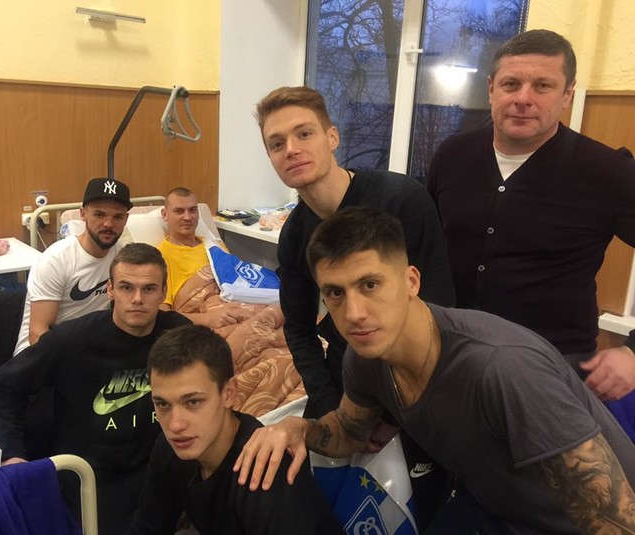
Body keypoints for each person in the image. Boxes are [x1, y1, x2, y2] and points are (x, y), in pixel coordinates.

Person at [234, 207, 635, 534]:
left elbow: (617, 522)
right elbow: (350, 432)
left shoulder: (502, 368)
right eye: (335, 293)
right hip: (492, 508)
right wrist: (297, 429)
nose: (354, 313)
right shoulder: (365, 358)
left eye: (370, 284)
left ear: (411, 281)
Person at [426, 29, 635, 402]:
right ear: (491, 88)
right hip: (448, 353)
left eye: (542, 86)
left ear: (567, 95)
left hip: (552, 369)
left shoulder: (607, 171)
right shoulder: (452, 156)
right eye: (511, 84)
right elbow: (423, 245)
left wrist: (634, 352)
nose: (523, 98)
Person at [256, 86, 455, 420]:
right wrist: (329, 405)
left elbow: (441, 310)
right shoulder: (294, 235)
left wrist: (397, 414)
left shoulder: (403, 200)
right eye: (277, 144)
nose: (291, 150)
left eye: (304, 134)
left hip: (417, 380)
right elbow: (299, 329)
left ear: (332, 137)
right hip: (346, 377)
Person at [0, 243, 190, 535]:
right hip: (93, 477)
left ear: (162, 293)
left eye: (148, 289)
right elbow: (4, 388)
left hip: (160, 466)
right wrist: (11, 454)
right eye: (126, 287)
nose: (137, 299)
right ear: (110, 290)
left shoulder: (179, 335)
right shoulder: (71, 340)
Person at [128, 324, 342, 535]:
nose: (175, 425)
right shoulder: (171, 449)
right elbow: (147, 528)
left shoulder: (266, 481)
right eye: (163, 404)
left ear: (229, 394)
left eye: (193, 402)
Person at [13, 177, 133, 355]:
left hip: (88, 348)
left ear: (126, 219)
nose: (108, 224)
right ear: (83, 214)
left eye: (118, 217)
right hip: (38, 354)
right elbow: (37, 333)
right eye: (99, 215)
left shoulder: (122, 258)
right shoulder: (56, 260)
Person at [159, 187, 246, 328]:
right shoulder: (160, 257)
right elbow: (162, 315)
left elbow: (240, 283)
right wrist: (207, 319)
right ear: (165, 215)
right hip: (206, 323)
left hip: (238, 308)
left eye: (192, 210)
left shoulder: (215, 246)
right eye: (179, 211)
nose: (187, 217)